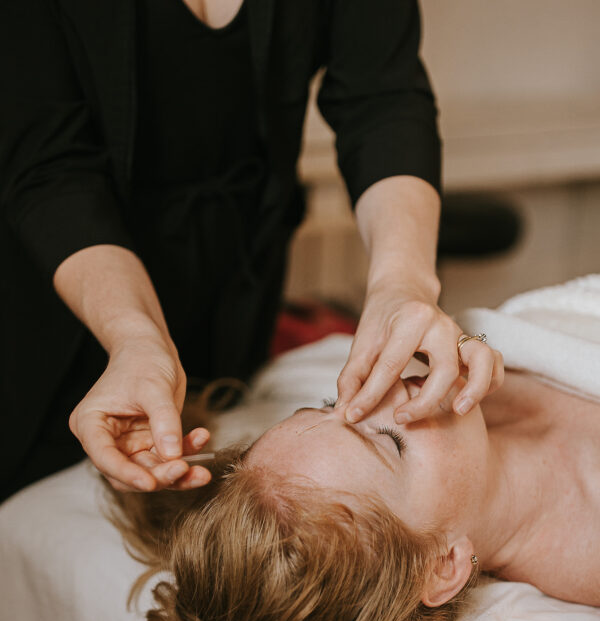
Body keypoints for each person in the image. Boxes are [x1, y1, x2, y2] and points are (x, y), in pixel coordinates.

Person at [0, 0, 502, 503]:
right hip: (65, 285)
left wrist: (403, 283)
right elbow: (50, 166)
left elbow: (383, 99)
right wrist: (133, 335)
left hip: (236, 280)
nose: (389, 405)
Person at [107, 323, 600, 621]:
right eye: (389, 442)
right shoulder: (586, 545)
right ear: (442, 564)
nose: (374, 393)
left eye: (328, 404)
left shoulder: (465, 393)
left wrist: (468, 335)